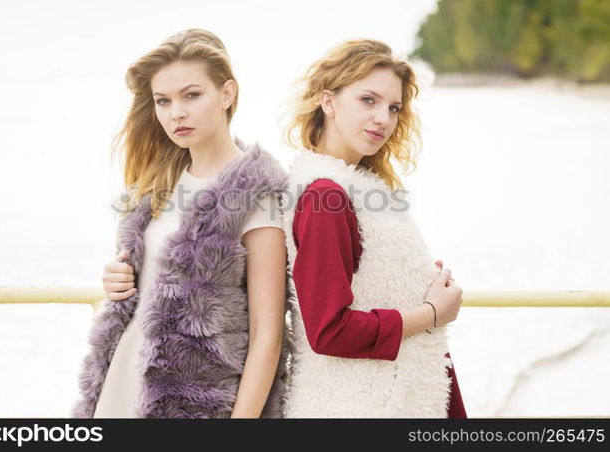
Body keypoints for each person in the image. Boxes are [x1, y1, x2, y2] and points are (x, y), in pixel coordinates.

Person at [72, 29, 290, 418]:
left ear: (227, 94)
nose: (176, 113)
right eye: (163, 101)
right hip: (123, 382)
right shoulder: (157, 185)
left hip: (195, 401)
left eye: (192, 95)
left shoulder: (256, 194)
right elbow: (151, 286)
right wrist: (120, 280)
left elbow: (268, 335)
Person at [280, 38, 467, 418]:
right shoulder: (324, 196)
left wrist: (416, 281)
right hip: (362, 407)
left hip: (387, 400)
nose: (384, 118)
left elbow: (369, 282)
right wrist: (431, 313)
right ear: (328, 102)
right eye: (369, 100)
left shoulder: (354, 186)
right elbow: (328, 330)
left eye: (393, 107)